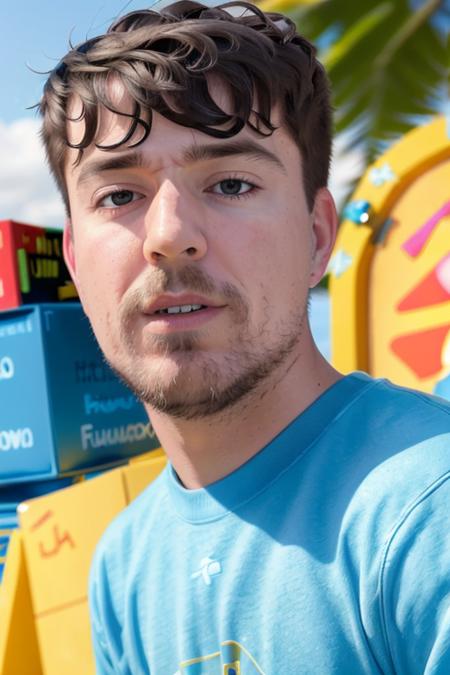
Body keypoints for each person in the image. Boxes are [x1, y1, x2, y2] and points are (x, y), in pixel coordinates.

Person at [39, 2, 450, 673]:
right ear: (78, 266)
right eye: (119, 195)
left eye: (231, 182)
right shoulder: (124, 564)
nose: (170, 235)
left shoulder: (428, 516)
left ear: (317, 238)